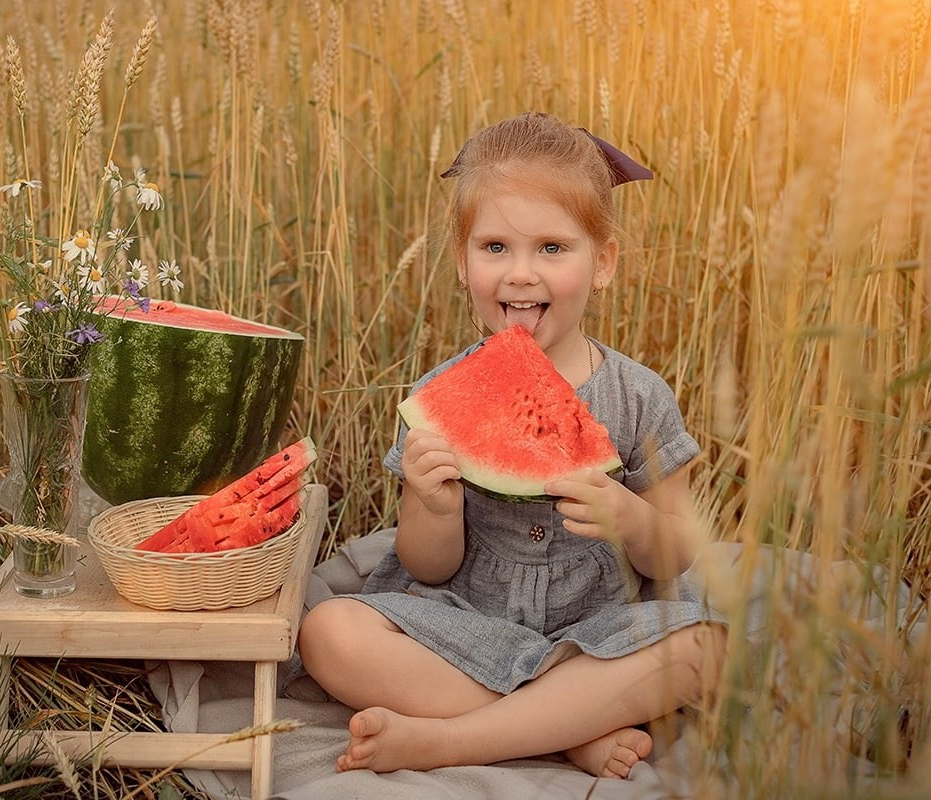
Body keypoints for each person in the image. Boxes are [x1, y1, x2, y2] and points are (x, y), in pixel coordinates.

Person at [296, 112, 727, 780]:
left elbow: (677, 553)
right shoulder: (441, 393)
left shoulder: (641, 397)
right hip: (467, 625)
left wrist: (635, 522)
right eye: (495, 247)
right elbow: (426, 567)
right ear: (462, 260)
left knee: (704, 650)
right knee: (327, 633)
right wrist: (432, 506)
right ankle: (566, 727)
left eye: (552, 248)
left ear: (603, 262)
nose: (520, 274)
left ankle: (454, 739)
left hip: (599, 637)